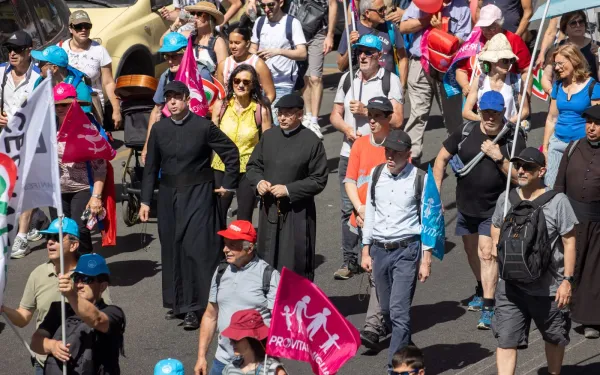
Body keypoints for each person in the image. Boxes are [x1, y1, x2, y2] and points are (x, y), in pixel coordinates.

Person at [140, 81, 240, 330]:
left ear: (187, 99)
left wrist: (228, 185)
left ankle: (197, 307)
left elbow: (231, 153)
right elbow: (151, 167)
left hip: (199, 194)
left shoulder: (203, 126)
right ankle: (177, 302)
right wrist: (144, 200)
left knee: (196, 249)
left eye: (176, 97)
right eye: (168, 98)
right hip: (167, 196)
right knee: (172, 248)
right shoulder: (160, 129)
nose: (172, 102)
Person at [433, 91, 525, 329]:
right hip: (466, 206)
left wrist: (499, 158)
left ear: (503, 113)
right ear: (479, 111)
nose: (490, 117)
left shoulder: (513, 138)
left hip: (494, 209)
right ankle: (481, 286)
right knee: (471, 251)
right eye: (486, 112)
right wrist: (435, 195)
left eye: (495, 112)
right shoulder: (466, 132)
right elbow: (441, 158)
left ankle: (488, 304)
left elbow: (520, 178)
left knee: (487, 253)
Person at [490, 147, 577, 375]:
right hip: (510, 287)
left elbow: (569, 242)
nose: (521, 170)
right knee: (506, 340)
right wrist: (503, 252)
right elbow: (496, 225)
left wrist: (567, 280)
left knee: (554, 338)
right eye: (518, 165)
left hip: (548, 289)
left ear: (541, 171)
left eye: (528, 167)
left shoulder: (558, 201)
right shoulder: (506, 198)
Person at [330, 34, 403, 279]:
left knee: (380, 204)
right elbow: (335, 115)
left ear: (379, 57)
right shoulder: (347, 78)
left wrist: (365, 111)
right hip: (349, 152)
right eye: (359, 51)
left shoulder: (390, 81)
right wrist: (346, 129)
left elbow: (398, 119)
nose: (362, 56)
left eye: (368, 52)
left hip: (379, 153)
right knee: (348, 208)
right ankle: (349, 260)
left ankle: (376, 254)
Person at [1, 218, 110, 375]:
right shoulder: (38, 274)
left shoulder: (90, 275)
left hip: (84, 364)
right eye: (48, 238)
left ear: (74, 245)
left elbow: (103, 318)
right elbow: (23, 317)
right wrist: (3, 309)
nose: (50, 243)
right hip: (45, 363)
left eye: (57, 238)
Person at [361, 129, 431, 370]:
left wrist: (426, 259)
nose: (390, 156)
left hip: (406, 250)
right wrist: (365, 249)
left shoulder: (420, 179)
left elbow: (430, 221)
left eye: (396, 153)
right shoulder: (376, 173)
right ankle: (408, 352)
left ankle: (395, 368)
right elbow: (370, 212)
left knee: (399, 312)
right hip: (379, 250)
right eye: (387, 151)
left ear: (408, 154)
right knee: (388, 311)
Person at [246, 94, 328, 281]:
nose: (282, 118)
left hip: (297, 212)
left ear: (300, 115)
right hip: (270, 210)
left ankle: (295, 305)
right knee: (267, 257)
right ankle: (269, 303)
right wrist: (259, 182)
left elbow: (319, 179)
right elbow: (253, 166)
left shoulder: (311, 141)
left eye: (287, 114)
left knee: (295, 261)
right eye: (280, 113)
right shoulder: (269, 136)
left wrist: (289, 189)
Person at [194, 220, 280, 375]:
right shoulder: (221, 271)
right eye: (226, 244)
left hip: (255, 364)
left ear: (249, 248)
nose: (226, 249)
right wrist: (201, 357)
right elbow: (210, 315)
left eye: (233, 245)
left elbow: (278, 323)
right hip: (222, 361)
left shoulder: (269, 276)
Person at [343, 97, 393, 348]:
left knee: (378, 271)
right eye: (369, 115)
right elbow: (349, 180)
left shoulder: (396, 144)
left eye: (377, 115)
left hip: (388, 220)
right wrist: (360, 208)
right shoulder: (360, 144)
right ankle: (383, 319)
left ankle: (373, 325)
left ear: (388, 118)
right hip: (363, 216)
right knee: (376, 270)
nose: (371, 120)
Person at [400, 0, 472, 165]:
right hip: (419, 64)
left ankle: (457, 154)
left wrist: (442, 32)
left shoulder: (462, 8)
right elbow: (403, 27)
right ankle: (411, 158)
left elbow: (464, 40)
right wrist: (426, 19)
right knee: (417, 113)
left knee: (452, 116)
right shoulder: (422, 2)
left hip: (447, 68)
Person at [30, 253, 125, 375]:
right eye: (77, 278)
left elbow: (97, 320)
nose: (79, 284)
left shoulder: (113, 313)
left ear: (102, 286)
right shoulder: (59, 309)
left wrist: (71, 295)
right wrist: (52, 346)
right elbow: (35, 342)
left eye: (87, 279)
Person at [554, 105, 600, 339]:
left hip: (596, 223)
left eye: (597, 124)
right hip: (570, 219)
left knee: (592, 271)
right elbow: (559, 183)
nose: (591, 127)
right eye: (589, 122)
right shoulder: (573, 148)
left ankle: (589, 319)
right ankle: (559, 306)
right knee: (564, 265)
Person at [49, 83, 105, 254]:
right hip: (56, 190)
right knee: (60, 232)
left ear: (74, 103)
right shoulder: (47, 127)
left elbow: (100, 166)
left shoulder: (87, 128)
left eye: (64, 104)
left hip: (81, 188)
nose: (60, 109)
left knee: (80, 230)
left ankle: (86, 272)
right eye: (56, 105)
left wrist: (96, 196)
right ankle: (67, 272)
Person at [211, 64, 272, 222]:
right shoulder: (221, 106)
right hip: (221, 166)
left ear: (253, 85)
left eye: (246, 82)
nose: (240, 85)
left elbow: (267, 142)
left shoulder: (260, 109)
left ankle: (242, 246)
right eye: (237, 81)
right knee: (218, 212)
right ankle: (218, 246)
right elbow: (210, 139)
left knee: (244, 215)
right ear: (231, 82)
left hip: (248, 168)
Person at [0, 30, 42, 259]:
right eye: (9, 50)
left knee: (25, 187)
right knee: (6, 186)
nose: (12, 54)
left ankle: (22, 237)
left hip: (30, 139)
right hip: (4, 140)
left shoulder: (38, 78)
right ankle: (38, 219)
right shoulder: (1, 74)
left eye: (17, 50)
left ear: (29, 51)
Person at [543, 43, 600, 188]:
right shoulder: (558, 86)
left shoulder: (592, 87)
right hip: (557, 143)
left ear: (574, 60)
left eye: (560, 63)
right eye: (555, 64)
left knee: (575, 186)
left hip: (579, 146)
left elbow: (597, 120)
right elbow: (551, 119)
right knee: (551, 186)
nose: (556, 68)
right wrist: (545, 147)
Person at [455, 5, 531, 102]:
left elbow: (526, 71)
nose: (486, 31)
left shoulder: (514, 41)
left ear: (500, 24)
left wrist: (526, 97)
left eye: (491, 27)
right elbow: (461, 70)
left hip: (508, 101)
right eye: (483, 27)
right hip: (477, 102)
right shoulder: (474, 40)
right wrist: (465, 85)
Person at [249, 0, 307, 126]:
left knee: (277, 122)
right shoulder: (259, 22)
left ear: (280, 3)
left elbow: (302, 53)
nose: (266, 9)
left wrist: (279, 52)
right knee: (258, 122)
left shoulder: (292, 23)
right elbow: (253, 47)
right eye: (263, 5)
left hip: (283, 83)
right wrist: (256, 57)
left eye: (270, 5)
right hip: (260, 83)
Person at [61, 10, 122, 128]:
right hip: (66, 104)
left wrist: (116, 110)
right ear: (70, 29)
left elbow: (108, 83)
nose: (83, 30)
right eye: (79, 26)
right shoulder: (62, 49)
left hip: (92, 105)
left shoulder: (99, 51)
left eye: (87, 26)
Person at [286, 0, 338, 134]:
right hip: (297, 30)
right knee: (303, 76)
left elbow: (333, 4)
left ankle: (315, 120)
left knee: (315, 77)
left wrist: (330, 35)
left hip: (318, 31)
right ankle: (308, 115)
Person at [141, 32, 188, 164]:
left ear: (185, 54)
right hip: (171, 138)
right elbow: (156, 110)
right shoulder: (166, 76)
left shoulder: (201, 73)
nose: (169, 61)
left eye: (173, 56)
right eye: (166, 56)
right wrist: (147, 146)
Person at [462, 33, 529, 125]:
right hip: (484, 131)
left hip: (508, 131)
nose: (509, 64)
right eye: (505, 60)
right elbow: (466, 111)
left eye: (511, 60)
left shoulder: (516, 81)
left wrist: (507, 124)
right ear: (492, 61)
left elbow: (525, 110)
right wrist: (486, 121)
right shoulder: (479, 80)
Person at [337, 0, 407, 82]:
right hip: (361, 87)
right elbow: (341, 66)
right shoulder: (352, 30)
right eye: (380, 10)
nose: (384, 12)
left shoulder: (391, 28)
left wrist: (401, 86)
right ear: (367, 13)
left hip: (387, 86)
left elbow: (403, 58)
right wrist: (350, 45)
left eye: (385, 8)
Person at [541, 11, 600, 94]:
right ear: (565, 28)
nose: (578, 25)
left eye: (581, 22)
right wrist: (553, 94)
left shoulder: (597, 47)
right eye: (573, 23)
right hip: (564, 97)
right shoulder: (556, 48)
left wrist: (599, 57)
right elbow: (546, 78)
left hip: (591, 96)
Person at [215, 26, 276, 103]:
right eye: (231, 42)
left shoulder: (258, 64)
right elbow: (220, 93)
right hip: (229, 112)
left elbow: (271, 94)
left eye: (237, 43)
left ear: (247, 44)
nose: (233, 46)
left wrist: (260, 109)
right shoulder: (223, 65)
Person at [221, 309, 288, 375]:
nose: (231, 343)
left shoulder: (273, 370)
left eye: (235, 340)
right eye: (231, 339)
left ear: (251, 339)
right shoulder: (230, 368)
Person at [31, 45, 93, 113]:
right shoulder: (40, 81)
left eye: (41, 63)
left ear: (54, 68)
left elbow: (83, 119)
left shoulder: (80, 89)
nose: (38, 66)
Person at [181, 2, 229, 80]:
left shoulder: (218, 42)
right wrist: (177, 24)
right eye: (193, 13)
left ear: (210, 18)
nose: (195, 17)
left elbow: (224, 72)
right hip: (188, 82)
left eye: (200, 14)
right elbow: (163, 43)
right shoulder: (188, 36)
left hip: (207, 86)